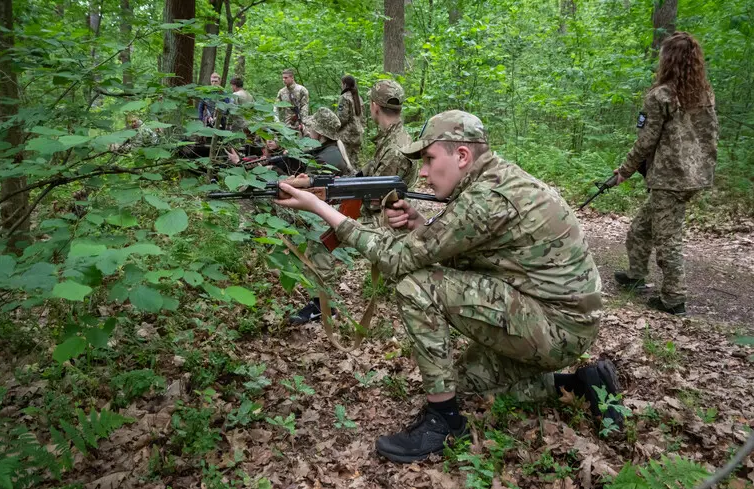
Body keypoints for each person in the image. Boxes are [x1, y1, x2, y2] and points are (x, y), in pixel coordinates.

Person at [274, 110, 622, 463]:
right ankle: (582, 384)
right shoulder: (498, 180)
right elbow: (477, 252)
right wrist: (420, 225)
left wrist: (321, 208)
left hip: (555, 326)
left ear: (461, 156)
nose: (422, 172)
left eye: (428, 158)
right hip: (558, 319)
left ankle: (443, 421)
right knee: (468, 386)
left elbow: (395, 260)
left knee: (416, 285)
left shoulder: (487, 198)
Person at [287, 80, 416, 325]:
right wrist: (316, 183)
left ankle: (321, 305)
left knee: (319, 239)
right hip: (376, 209)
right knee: (322, 220)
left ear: (374, 106)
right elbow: (363, 176)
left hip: (384, 218)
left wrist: (331, 201)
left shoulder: (395, 148)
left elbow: (375, 197)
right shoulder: (391, 139)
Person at [612, 32, 718, 316]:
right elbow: (711, 135)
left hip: (670, 179)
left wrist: (624, 171)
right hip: (694, 176)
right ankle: (635, 274)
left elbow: (646, 140)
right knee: (641, 228)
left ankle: (674, 299)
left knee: (667, 238)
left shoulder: (660, 96)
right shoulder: (703, 93)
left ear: (668, 60)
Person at [336, 75, 365, 168]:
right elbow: (362, 117)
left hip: (347, 135)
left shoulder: (344, 97)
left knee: (345, 162)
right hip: (358, 134)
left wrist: (335, 128)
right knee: (355, 162)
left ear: (345, 84)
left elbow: (342, 118)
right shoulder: (358, 98)